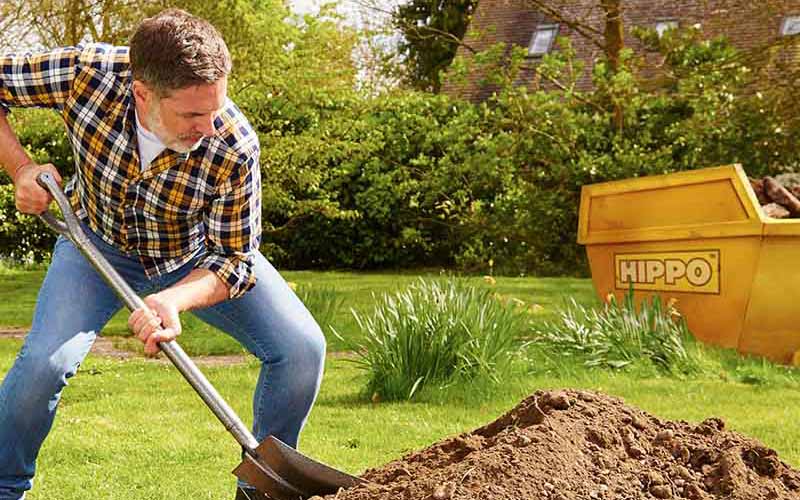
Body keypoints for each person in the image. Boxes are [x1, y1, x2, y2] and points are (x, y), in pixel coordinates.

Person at [0, 9, 326, 500]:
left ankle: (261, 494)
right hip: (95, 248)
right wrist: (20, 167)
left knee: (302, 350)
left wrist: (173, 300)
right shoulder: (85, 74)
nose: (209, 126)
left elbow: (235, 260)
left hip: (192, 260)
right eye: (193, 114)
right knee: (43, 366)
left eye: (215, 108)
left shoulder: (234, 147)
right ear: (142, 94)